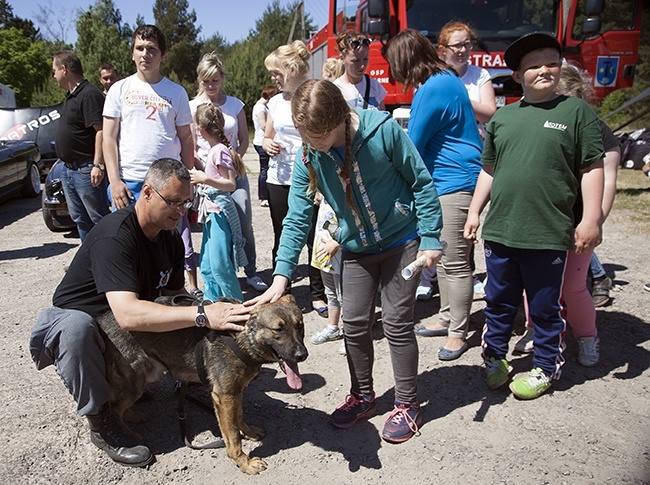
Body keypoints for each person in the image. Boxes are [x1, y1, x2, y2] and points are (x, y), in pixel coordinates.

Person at [250, 79, 444, 444]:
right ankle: (363, 395)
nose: (315, 144)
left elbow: (420, 181)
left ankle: (407, 402)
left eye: (321, 135)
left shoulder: (382, 131)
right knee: (353, 325)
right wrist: (281, 275)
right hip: (356, 248)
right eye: (308, 136)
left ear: (342, 117)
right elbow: (296, 215)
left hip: (402, 240)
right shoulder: (309, 153)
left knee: (397, 323)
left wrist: (431, 236)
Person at [29, 158, 250, 468]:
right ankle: (102, 421)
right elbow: (128, 315)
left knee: (186, 313)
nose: (180, 211)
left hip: (119, 328)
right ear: (147, 192)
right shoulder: (116, 236)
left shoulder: (168, 236)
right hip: (78, 323)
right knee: (77, 330)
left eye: (185, 203)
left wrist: (214, 313)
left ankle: (125, 386)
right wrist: (202, 315)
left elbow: (174, 297)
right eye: (172, 201)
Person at [463, 32, 604, 400]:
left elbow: (592, 168)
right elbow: (489, 169)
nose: (544, 70)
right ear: (518, 74)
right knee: (498, 302)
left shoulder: (576, 112)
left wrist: (591, 219)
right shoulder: (504, 118)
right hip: (501, 232)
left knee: (544, 306)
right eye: (534, 65)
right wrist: (476, 211)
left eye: (552, 62)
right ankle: (494, 358)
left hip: (547, 233)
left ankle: (545, 366)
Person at [385, 29, 483, 361]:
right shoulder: (448, 78)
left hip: (452, 182)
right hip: (456, 178)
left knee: (455, 263)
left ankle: (458, 333)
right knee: (440, 256)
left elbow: (411, 145)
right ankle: (446, 318)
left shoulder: (432, 88)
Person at [514, 63, 620, 367]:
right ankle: (535, 328)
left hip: (576, 222)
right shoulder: (535, 123)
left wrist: (593, 221)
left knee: (573, 286)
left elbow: (607, 181)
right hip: (540, 218)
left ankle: (587, 335)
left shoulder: (599, 133)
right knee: (534, 281)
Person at [102, 25, 199, 295]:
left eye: (152, 49)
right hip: (130, 182)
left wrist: (188, 182)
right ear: (132, 53)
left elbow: (185, 139)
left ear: (163, 55)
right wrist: (114, 181)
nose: (146, 54)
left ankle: (166, 302)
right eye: (140, 48)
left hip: (168, 188)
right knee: (127, 245)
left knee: (166, 246)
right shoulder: (118, 90)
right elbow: (108, 138)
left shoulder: (177, 92)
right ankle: (129, 301)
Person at [190, 52, 268, 293]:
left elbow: (244, 139)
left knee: (244, 221)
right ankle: (219, 274)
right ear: (199, 80)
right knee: (215, 226)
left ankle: (251, 271)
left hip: (234, 173)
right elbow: (191, 144)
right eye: (206, 80)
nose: (211, 85)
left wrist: (234, 161)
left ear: (222, 77)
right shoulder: (192, 107)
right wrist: (204, 173)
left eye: (215, 80)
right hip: (207, 175)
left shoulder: (235, 104)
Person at [262, 41, 328, 316]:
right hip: (279, 179)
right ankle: (284, 292)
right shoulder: (275, 103)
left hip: (311, 179)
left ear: (291, 69)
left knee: (314, 238)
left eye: (277, 72)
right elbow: (265, 135)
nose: (273, 78)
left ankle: (318, 294)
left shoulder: (316, 95)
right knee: (283, 236)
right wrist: (267, 144)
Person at [436, 20, 497, 298]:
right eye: (456, 45)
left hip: (475, 158)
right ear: (442, 50)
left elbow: (490, 113)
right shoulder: (436, 76)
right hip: (443, 161)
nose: (462, 50)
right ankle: (437, 279)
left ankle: (465, 278)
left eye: (467, 44)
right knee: (443, 228)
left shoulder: (479, 75)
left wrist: (458, 99)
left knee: (464, 228)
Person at [190, 103, 247, 301]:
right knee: (206, 265)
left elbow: (230, 184)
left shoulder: (219, 151)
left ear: (200, 130)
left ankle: (237, 307)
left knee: (221, 266)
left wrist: (203, 178)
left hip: (219, 214)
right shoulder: (216, 150)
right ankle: (211, 304)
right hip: (211, 213)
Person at [52, 51, 109, 242]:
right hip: (69, 170)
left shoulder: (89, 94)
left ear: (64, 69)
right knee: (81, 219)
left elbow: (101, 131)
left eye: (55, 71)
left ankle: (107, 264)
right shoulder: (71, 96)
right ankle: (89, 264)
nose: (54, 76)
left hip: (86, 169)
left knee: (99, 219)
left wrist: (98, 165)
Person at [310, 194, 345, 355]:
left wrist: (337, 243)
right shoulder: (324, 195)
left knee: (345, 296)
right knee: (330, 293)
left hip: (342, 254)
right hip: (324, 255)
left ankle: (351, 334)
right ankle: (333, 327)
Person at [333, 31, 386, 110]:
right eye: (355, 61)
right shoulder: (335, 90)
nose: (362, 66)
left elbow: (383, 118)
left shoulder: (375, 86)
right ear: (342, 59)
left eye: (365, 59)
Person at [252, 86, 279, 207]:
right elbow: (263, 125)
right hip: (261, 141)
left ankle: (265, 195)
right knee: (265, 170)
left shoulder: (261, 106)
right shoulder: (260, 108)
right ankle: (263, 196)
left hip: (262, 140)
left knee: (266, 168)